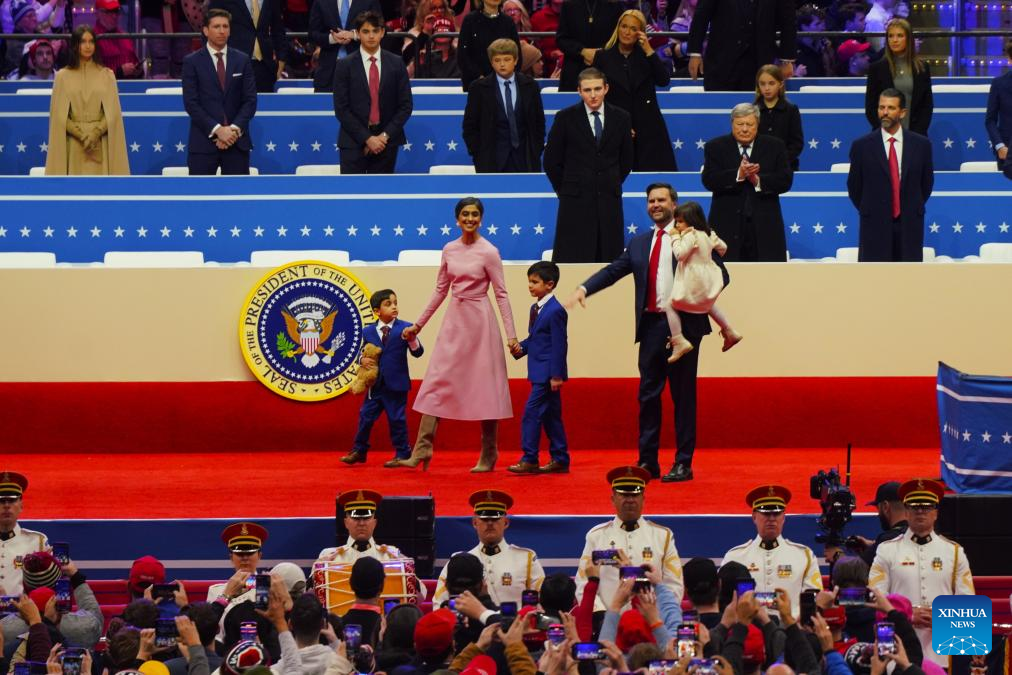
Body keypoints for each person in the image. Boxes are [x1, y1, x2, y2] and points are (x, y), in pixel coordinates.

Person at [565, 183, 713, 483]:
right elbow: (613, 271)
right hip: (650, 327)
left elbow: (719, 273)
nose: (655, 204)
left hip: (684, 328)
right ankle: (648, 461)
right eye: (651, 201)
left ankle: (683, 463)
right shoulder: (638, 243)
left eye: (661, 200)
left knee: (683, 398)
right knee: (648, 396)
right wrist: (584, 288)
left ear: (675, 203)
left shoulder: (693, 236)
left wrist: (701, 299)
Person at [397, 198, 519, 473]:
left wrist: (511, 336)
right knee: (437, 380)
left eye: (475, 214)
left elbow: (501, 293)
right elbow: (440, 289)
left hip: (481, 323)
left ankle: (489, 454)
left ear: (481, 219)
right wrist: (419, 324)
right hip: (454, 321)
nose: (470, 218)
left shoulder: (489, 251)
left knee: (485, 387)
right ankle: (422, 449)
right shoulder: (449, 249)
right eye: (465, 214)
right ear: (457, 219)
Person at [870, 478, 975, 668]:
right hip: (897, 654)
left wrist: (943, 618)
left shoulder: (954, 552)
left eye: (926, 506)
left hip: (943, 655)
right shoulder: (886, 550)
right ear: (906, 511)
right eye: (914, 506)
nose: (920, 511)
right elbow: (874, 600)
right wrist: (906, 616)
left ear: (936, 512)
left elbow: (968, 608)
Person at [544, 67, 633, 264]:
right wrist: (567, 188)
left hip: (609, 200)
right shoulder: (565, 118)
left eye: (597, 89)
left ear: (606, 88)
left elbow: (626, 159)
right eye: (587, 90)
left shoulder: (622, 117)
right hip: (574, 202)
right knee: (574, 257)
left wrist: (611, 181)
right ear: (579, 91)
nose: (593, 95)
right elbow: (551, 161)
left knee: (608, 260)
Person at [574, 466, 684, 610]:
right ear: (613, 499)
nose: (630, 500)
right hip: (608, 622)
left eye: (635, 495)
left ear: (643, 499)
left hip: (651, 624)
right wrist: (599, 613)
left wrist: (657, 616)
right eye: (624, 495)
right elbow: (583, 582)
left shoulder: (663, 536)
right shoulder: (596, 536)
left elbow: (674, 585)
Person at [847, 88, 933, 262]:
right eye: (881, 107)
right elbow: (855, 187)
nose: (885, 112)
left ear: (902, 113)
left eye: (891, 108)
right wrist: (872, 209)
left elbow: (926, 184)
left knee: (908, 282)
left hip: (909, 225)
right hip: (874, 224)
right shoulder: (861, 146)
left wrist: (909, 206)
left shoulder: (921, 145)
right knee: (875, 282)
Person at [341, 290, 424, 466]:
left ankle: (403, 453)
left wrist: (412, 339)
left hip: (396, 384)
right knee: (365, 416)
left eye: (395, 302)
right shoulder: (368, 331)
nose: (394, 306)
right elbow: (358, 352)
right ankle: (359, 450)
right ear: (376, 311)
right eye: (388, 304)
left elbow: (418, 353)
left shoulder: (406, 327)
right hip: (375, 385)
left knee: (397, 419)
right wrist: (361, 360)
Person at [702, 102, 792, 262]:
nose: (744, 129)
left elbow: (785, 180)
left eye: (749, 124)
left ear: (757, 124)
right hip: (726, 227)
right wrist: (738, 174)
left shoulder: (775, 146)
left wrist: (758, 180)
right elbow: (709, 180)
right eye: (740, 124)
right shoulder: (715, 147)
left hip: (765, 227)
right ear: (732, 124)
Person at [592, 9, 677, 172]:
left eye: (633, 29)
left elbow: (663, 80)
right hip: (616, 124)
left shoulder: (646, 56)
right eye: (624, 26)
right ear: (618, 28)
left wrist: (649, 51)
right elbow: (598, 96)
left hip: (648, 127)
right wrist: (618, 123)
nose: (627, 32)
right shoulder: (603, 57)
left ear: (640, 33)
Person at [721, 484, 823, 616]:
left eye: (776, 513)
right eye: (766, 513)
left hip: (792, 631)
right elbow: (724, 600)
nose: (771, 518)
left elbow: (813, 600)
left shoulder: (804, 555)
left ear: (784, 517)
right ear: (754, 516)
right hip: (749, 632)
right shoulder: (734, 557)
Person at [432, 490, 545, 606]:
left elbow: (542, 602)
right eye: (485, 519)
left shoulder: (526, 559)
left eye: (495, 518)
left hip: (515, 623)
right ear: (475, 523)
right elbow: (439, 604)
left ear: (506, 522)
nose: (490, 523)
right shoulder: (459, 562)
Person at [333, 11, 413, 175]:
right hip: (353, 142)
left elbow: (405, 106)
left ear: (382, 32)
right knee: (352, 197)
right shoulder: (344, 65)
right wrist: (367, 139)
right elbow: (341, 109)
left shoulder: (396, 63)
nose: (371, 36)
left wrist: (383, 136)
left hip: (387, 142)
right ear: (358, 34)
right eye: (366, 31)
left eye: (375, 31)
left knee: (382, 196)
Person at [508, 261, 569, 475]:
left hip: (547, 374)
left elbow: (559, 345)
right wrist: (520, 349)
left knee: (531, 413)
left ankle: (530, 458)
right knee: (551, 416)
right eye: (529, 281)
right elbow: (536, 339)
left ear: (550, 284)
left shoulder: (555, 311)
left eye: (535, 282)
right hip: (538, 371)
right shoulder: (536, 308)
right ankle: (560, 458)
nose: (530, 286)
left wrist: (556, 374)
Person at [45, 25, 130, 176]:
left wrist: (95, 133)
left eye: (91, 41)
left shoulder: (107, 75)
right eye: (83, 41)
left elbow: (113, 113)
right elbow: (59, 115)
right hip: (74, 144)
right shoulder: (62, 76)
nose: (88, 46)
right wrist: (81, 135)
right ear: (75, 45)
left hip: (100, 142)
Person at [181, 9, 258, 176]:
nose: (222, 31)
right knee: (201, 199)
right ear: (206, 30)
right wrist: (218, 130)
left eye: (225, 26)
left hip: (236, 143)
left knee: (238, 199)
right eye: (216, 26)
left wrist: (232, 130)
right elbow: (191, 104)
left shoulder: (242, 60)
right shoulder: (192, 62)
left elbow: (250, 101)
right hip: (203, 144)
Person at [663, 201, 741, 363]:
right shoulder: (708, 234)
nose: (677, 225)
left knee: (669, 305)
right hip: (709, 277)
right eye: (676, 221)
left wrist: (675, 237)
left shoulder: (690, 235)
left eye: (680, 221)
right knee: (707, 304)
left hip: (693, 279)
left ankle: (679, 340)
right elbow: (723, 248)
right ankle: (729, 330)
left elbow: (680, 255)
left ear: (691, 221)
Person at [462, 38, 545, 173]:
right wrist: (478, 154)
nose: (502, 64)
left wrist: (536, 149)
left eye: (507, 60)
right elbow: (470, 126)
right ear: (491, 62)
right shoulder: (478, 88)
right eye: (497, 60)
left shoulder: (530, 86)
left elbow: (538, 122)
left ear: (516, 60)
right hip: (491, 160)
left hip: (526, 158)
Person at [686, 0, 797, 91]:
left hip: (760, 62)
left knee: (757, 112)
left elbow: (788, 20)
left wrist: (787, 60)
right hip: (721, 61)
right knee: (718, 107)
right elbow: (701, 14)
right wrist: (695, 53)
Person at [864, 18, 932, 136]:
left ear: (909, 39)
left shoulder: (922, 68)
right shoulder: (877, 68)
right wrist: (886, 131)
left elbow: (926, 105)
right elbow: (871, 107)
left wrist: (916, 135)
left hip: (915, 135)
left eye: (900, 36)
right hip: (885, 135)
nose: (894, 40)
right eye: (890, 36)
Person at [208, 0, 287, 92]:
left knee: (264, 104)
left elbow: (278, 30)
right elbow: (210, 26)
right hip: (233, 65)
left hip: (265, 66)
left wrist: (281, 61)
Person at [308, 0, 381, 91]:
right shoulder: (321, 1)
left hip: (363, 71)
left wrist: (355, 35)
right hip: (328, 74)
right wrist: (332, 38)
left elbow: (380, 29)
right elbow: (312, 34)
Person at [316, 489, 408, 563]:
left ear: (375, 523)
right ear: (346, 523)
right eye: (356, 519)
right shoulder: (328, 558)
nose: (361, 523)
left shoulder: (392, 557)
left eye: (366, 519)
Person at [554, 0, 623, 91]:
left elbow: (618, 39)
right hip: (574, 71)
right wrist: (582, 51)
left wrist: (599, 53)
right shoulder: (569, 5)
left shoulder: (614, 5)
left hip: (605, 69)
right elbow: (561, 39)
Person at [0, 472, 49, 596]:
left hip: (24, 614)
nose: (6, 506)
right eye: (1, 500)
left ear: (21, 505)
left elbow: (48, 587)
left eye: (12, 500)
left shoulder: (38, 542)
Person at [457, 0, 521, 92]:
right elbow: (463, 56)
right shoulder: (470, 20)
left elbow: (517, 54)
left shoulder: (508, 22)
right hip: (476, 85)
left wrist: (504, 78)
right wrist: (481, 78)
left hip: (504, 85)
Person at [754, 64, 803, 171]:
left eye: (771, 83)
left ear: (780, 84)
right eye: (762, 84)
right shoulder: (752, 110)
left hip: (786, 168)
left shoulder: (791, 110)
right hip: (757, 169)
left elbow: (796, 144)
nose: (767, 88)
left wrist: (780, 160)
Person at [853, 481, 908, 567]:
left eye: (878, 508)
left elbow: (855, 570)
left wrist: (837, 554)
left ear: (885, 507)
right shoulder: (917, 533)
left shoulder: (886, 541)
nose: (878, 514)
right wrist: (873, 545)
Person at [985, 37, 1012, 179]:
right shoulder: (999, 84)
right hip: (1007, 153)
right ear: (1009, 59)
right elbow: (990, 120)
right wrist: (1000, 146)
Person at [93, 0, 142, 78]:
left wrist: (138, 71)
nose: (114, 16)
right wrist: (119, 72)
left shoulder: (125, 38)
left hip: (130, 86)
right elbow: (92, 75)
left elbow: (135, 62)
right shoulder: (91, 40)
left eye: (116, 11)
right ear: (97, 14)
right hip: (107, 88)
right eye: (109, 12)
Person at [794, 5, 834, 78]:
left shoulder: (825, 46)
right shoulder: (792, 50)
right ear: (804, 27)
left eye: (823, 23)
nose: (823, 27)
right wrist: (796, 76)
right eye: (818, 24)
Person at [529, 0, 562, 77]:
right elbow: (533, 47)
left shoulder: (577, 14)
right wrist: (549, 54)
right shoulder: (538, 18)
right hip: (546, 70)